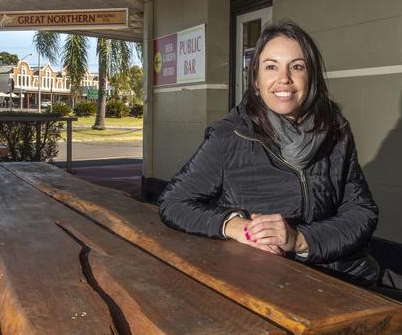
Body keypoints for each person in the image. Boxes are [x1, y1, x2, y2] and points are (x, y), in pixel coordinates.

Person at [158, 21, 379, 287]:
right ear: (256, 79)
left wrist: (299, 239)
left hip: (346, 276)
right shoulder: (230, 136)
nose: (284, 78)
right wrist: (237, 227)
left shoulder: (336, 130)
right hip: (267, 282)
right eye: (271, 66)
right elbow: (174, 203)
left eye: (297, 66)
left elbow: (361, 211)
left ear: (312, 77)